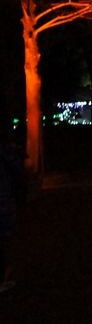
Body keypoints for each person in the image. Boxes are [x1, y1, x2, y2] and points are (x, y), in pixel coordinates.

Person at [0, 109, 25, 293]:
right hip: (3, 198)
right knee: (5, 237)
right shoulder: (5, 148)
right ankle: (4, 277)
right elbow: (17, 171)